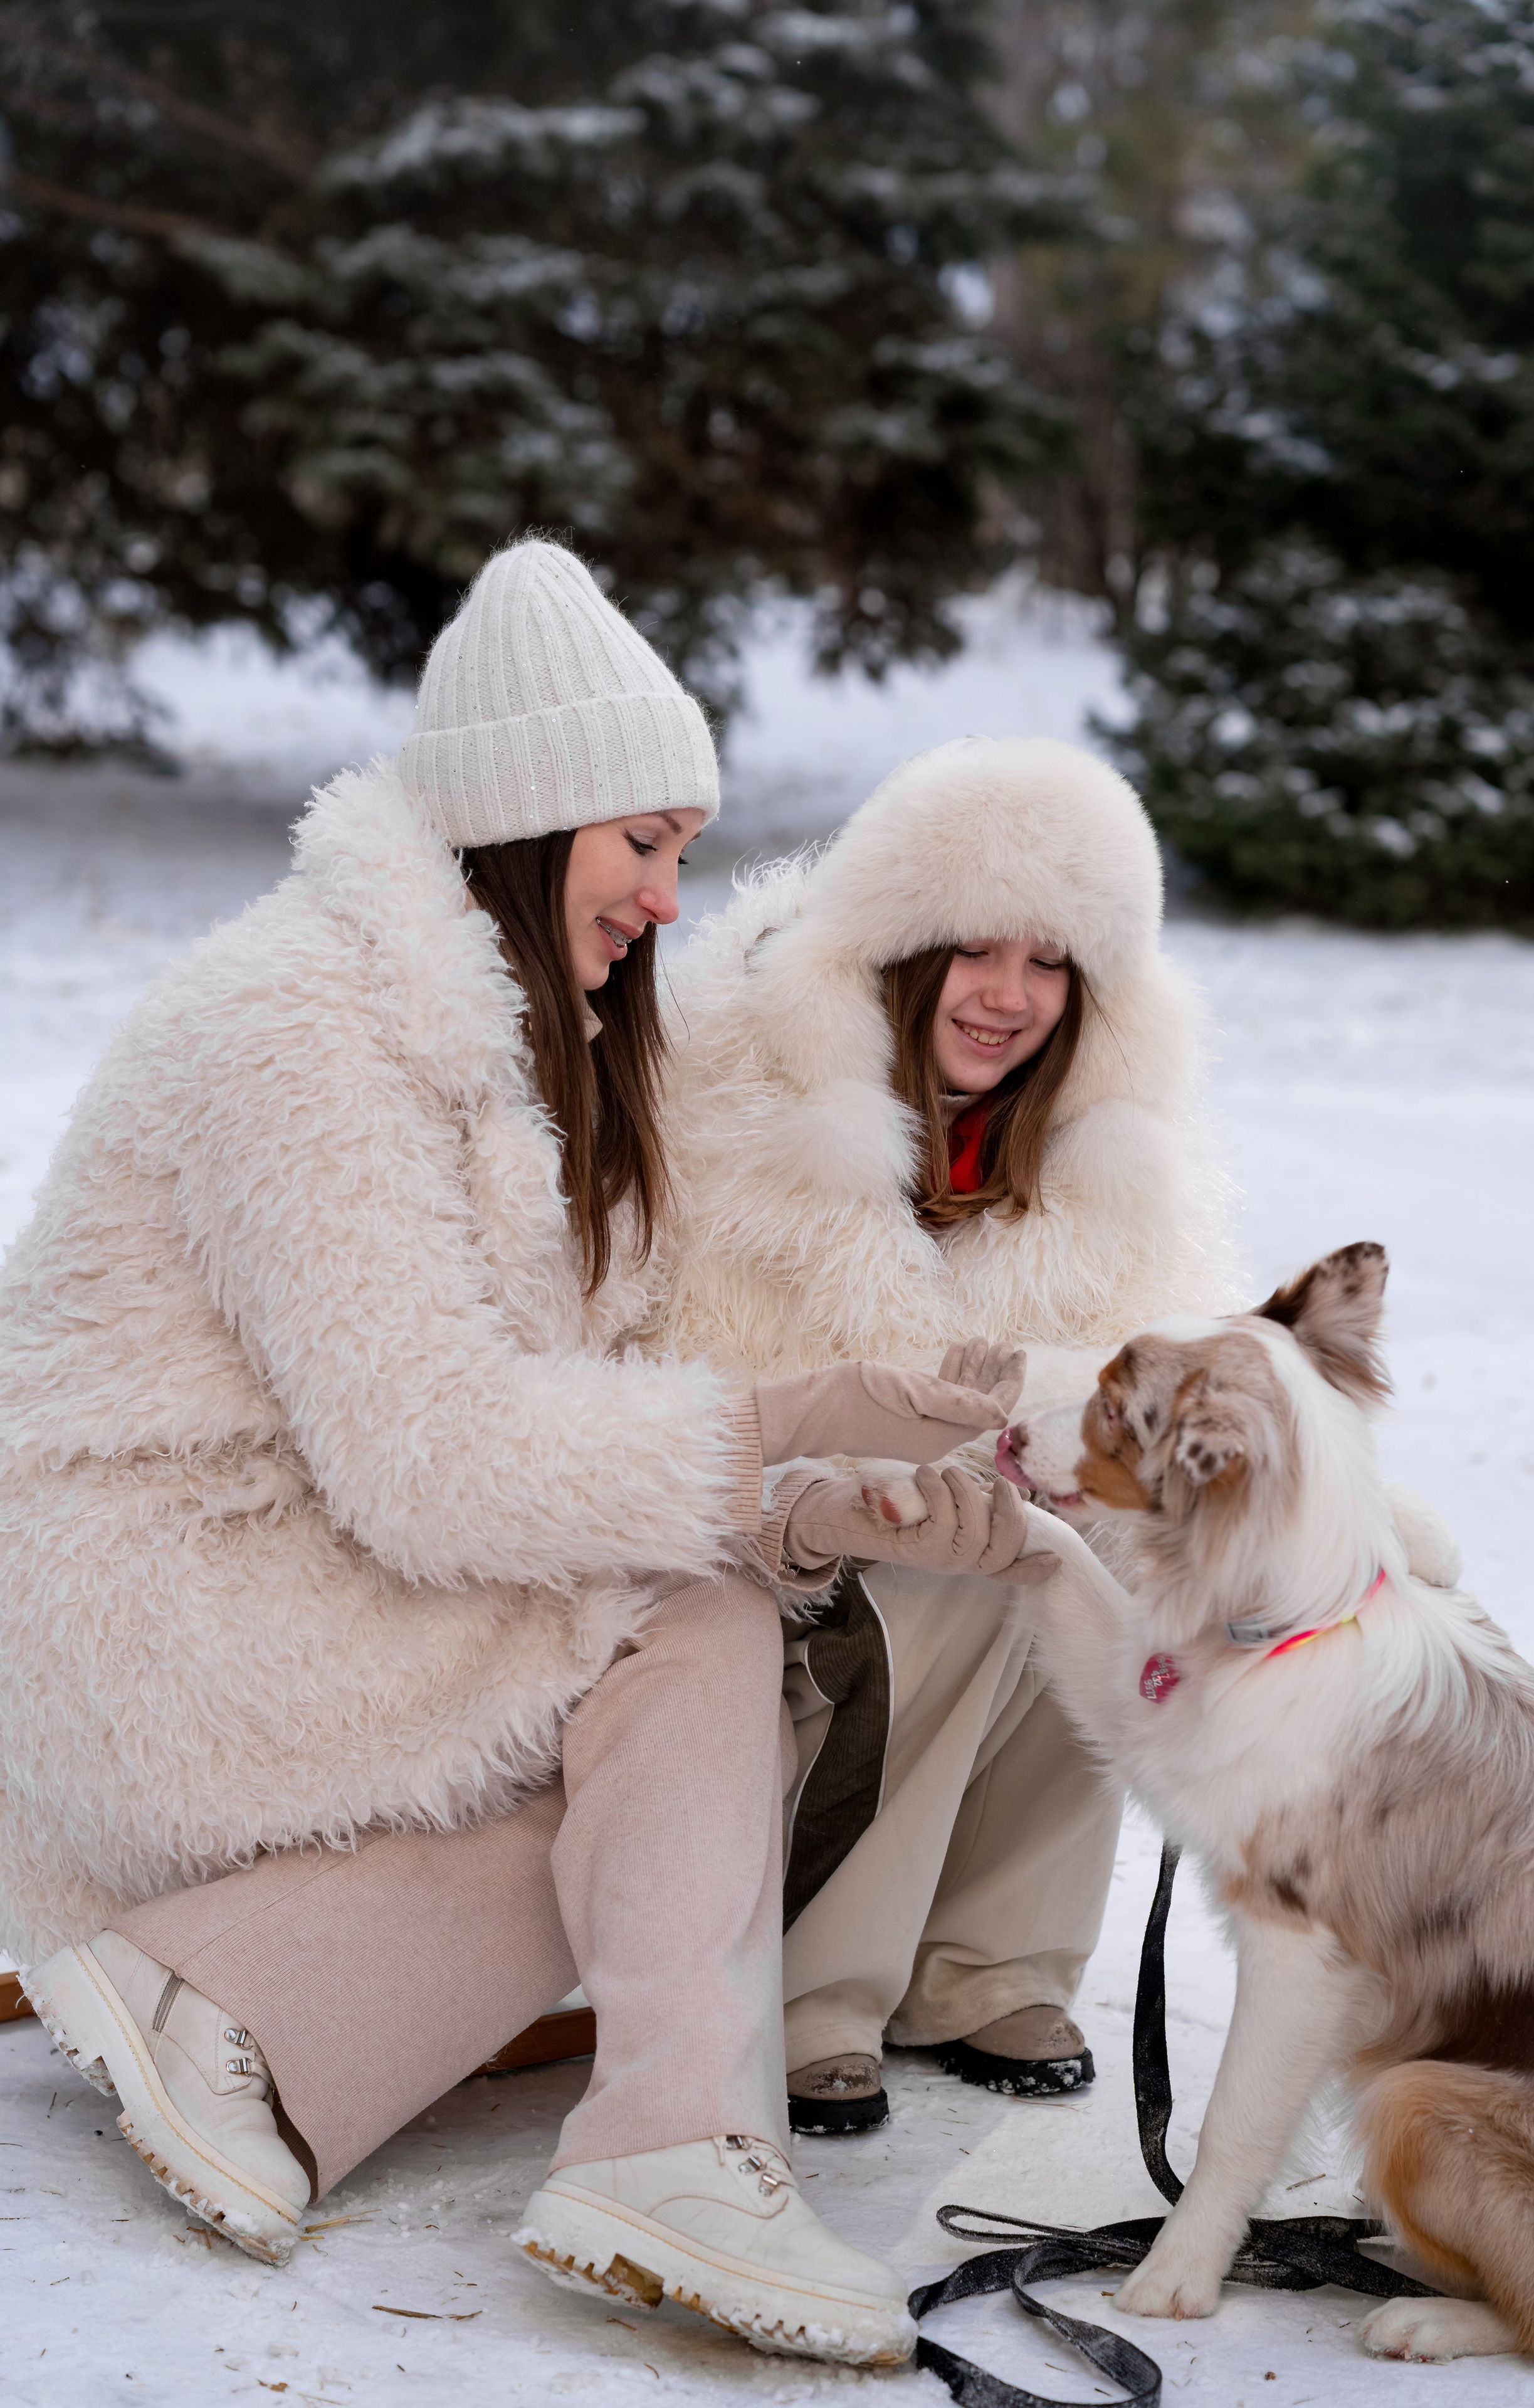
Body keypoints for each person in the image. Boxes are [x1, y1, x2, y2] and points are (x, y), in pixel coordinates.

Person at [0, 542, 1042, 2364]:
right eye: (641, 840)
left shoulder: (532, 1052)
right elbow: (433, 1463)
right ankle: (672, 2144)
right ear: (524, 814)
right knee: (687, 1636)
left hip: (321, 1581)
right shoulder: (295, 1027)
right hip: (156, 1608)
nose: (667, 894)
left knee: (684, 1734)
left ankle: (233, 2013)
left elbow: (561, 1434)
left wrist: (814, 1505)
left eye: (683, 849)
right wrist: (780, 1427)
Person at [650, 734, 1239, 2132]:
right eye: (974, 949)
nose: (1007, 997)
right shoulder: (733, 1096)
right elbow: (673, 1366)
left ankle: (991, 1963)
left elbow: (1167, 1377)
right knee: (960, 1547)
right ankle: (818, 1987)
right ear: (900, 949)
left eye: (1050, 964)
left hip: (960, 1528)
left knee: (1099, 1545)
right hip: (758, 1553)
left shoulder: (1100, 1161)